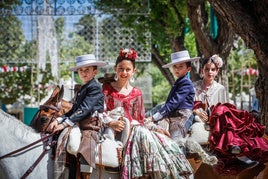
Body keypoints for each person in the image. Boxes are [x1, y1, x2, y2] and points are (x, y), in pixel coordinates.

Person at [101, 48, 193, 179]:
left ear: (134, 71)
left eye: (128, 69)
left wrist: (156, 128)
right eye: (121, 68)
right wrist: (111, 122)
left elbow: (140, 119)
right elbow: (100, 111)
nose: (124, 72)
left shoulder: (137, 93)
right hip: (112, 127)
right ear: (115, 68)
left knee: (164, 141)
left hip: (134, 129)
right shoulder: (106, 89)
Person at [191, 54, 268, 174]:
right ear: (202, 70)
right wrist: (198, 112)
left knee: (222, 109)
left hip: (219, 119)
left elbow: (225, 106)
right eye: (207, 69)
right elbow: (189, 105)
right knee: (222, 111)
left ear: (217, 71)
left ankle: (237, 149)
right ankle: (235, 149)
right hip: (202, 119)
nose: (210, 72)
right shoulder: (194, 87)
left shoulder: (220, 88)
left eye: (213, 69)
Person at [46, 54, 107, 174]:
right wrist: (58, 120)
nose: (83, 73)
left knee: (84, 149)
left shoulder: (94, 87)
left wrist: (64, 124)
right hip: (79, 123)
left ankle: (85, 174)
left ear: (95, 72)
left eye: (87, 70)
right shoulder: (84, 87)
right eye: (81, 70)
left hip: (91, 126)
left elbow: (84, 109)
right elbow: (74, 110)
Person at [151, 50, 200, 143]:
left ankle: (180, 156)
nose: (177, 69)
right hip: (173, 115)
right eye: (175, 66)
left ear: (188, 69)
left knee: (175, 138)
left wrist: (154, 117)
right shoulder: (179, 81)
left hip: (183, 115)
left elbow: (173, 103)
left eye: (180, 66)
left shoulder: (186, 83)